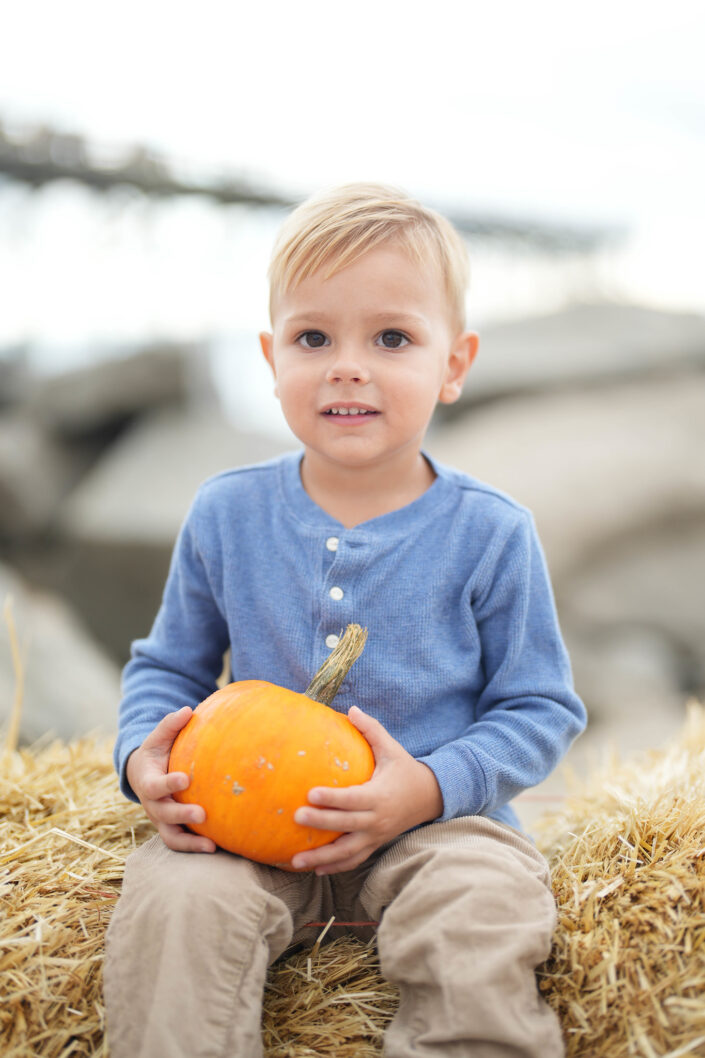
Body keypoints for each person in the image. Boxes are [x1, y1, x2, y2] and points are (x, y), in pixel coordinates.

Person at [104, 182, 586, 1058]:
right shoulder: (225, 514)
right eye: (312, 337)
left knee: (482, 908)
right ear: (270, 356)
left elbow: (539, 707)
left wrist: (430, 788)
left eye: (392, 338)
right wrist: (143, 757)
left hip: (435, 830)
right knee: (173, 907)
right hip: (240, 827)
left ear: (454, 362)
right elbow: (168, 669)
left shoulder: (489, 532)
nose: (346, 365)